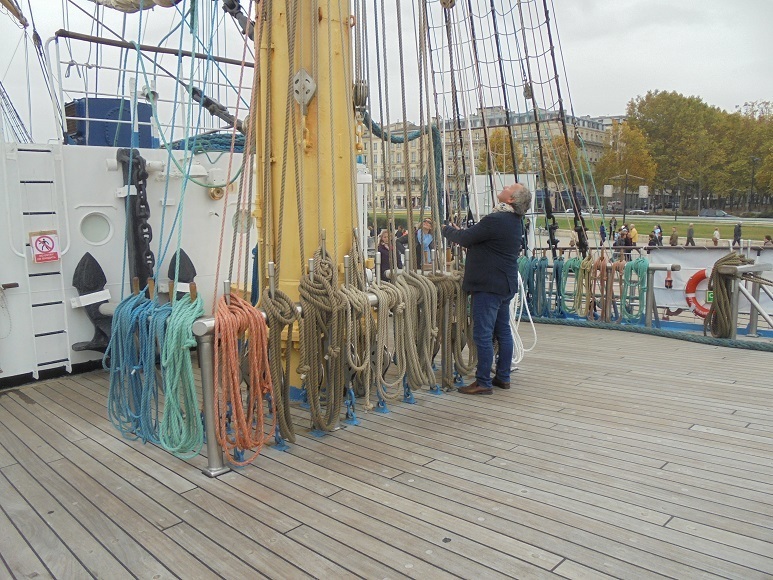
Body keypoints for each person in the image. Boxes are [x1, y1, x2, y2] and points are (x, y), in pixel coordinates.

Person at [441, 183, 530, 395]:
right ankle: (503, 377)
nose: (505, 186)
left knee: (483, 334)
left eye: (509, 187)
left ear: (511, 200)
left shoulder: (496, 219)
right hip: (505, 283)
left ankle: (483, 382)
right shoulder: (515, 221)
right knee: (503, 332)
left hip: (489, 285)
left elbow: (465, 239)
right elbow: (482, 239)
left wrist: (445, 230)